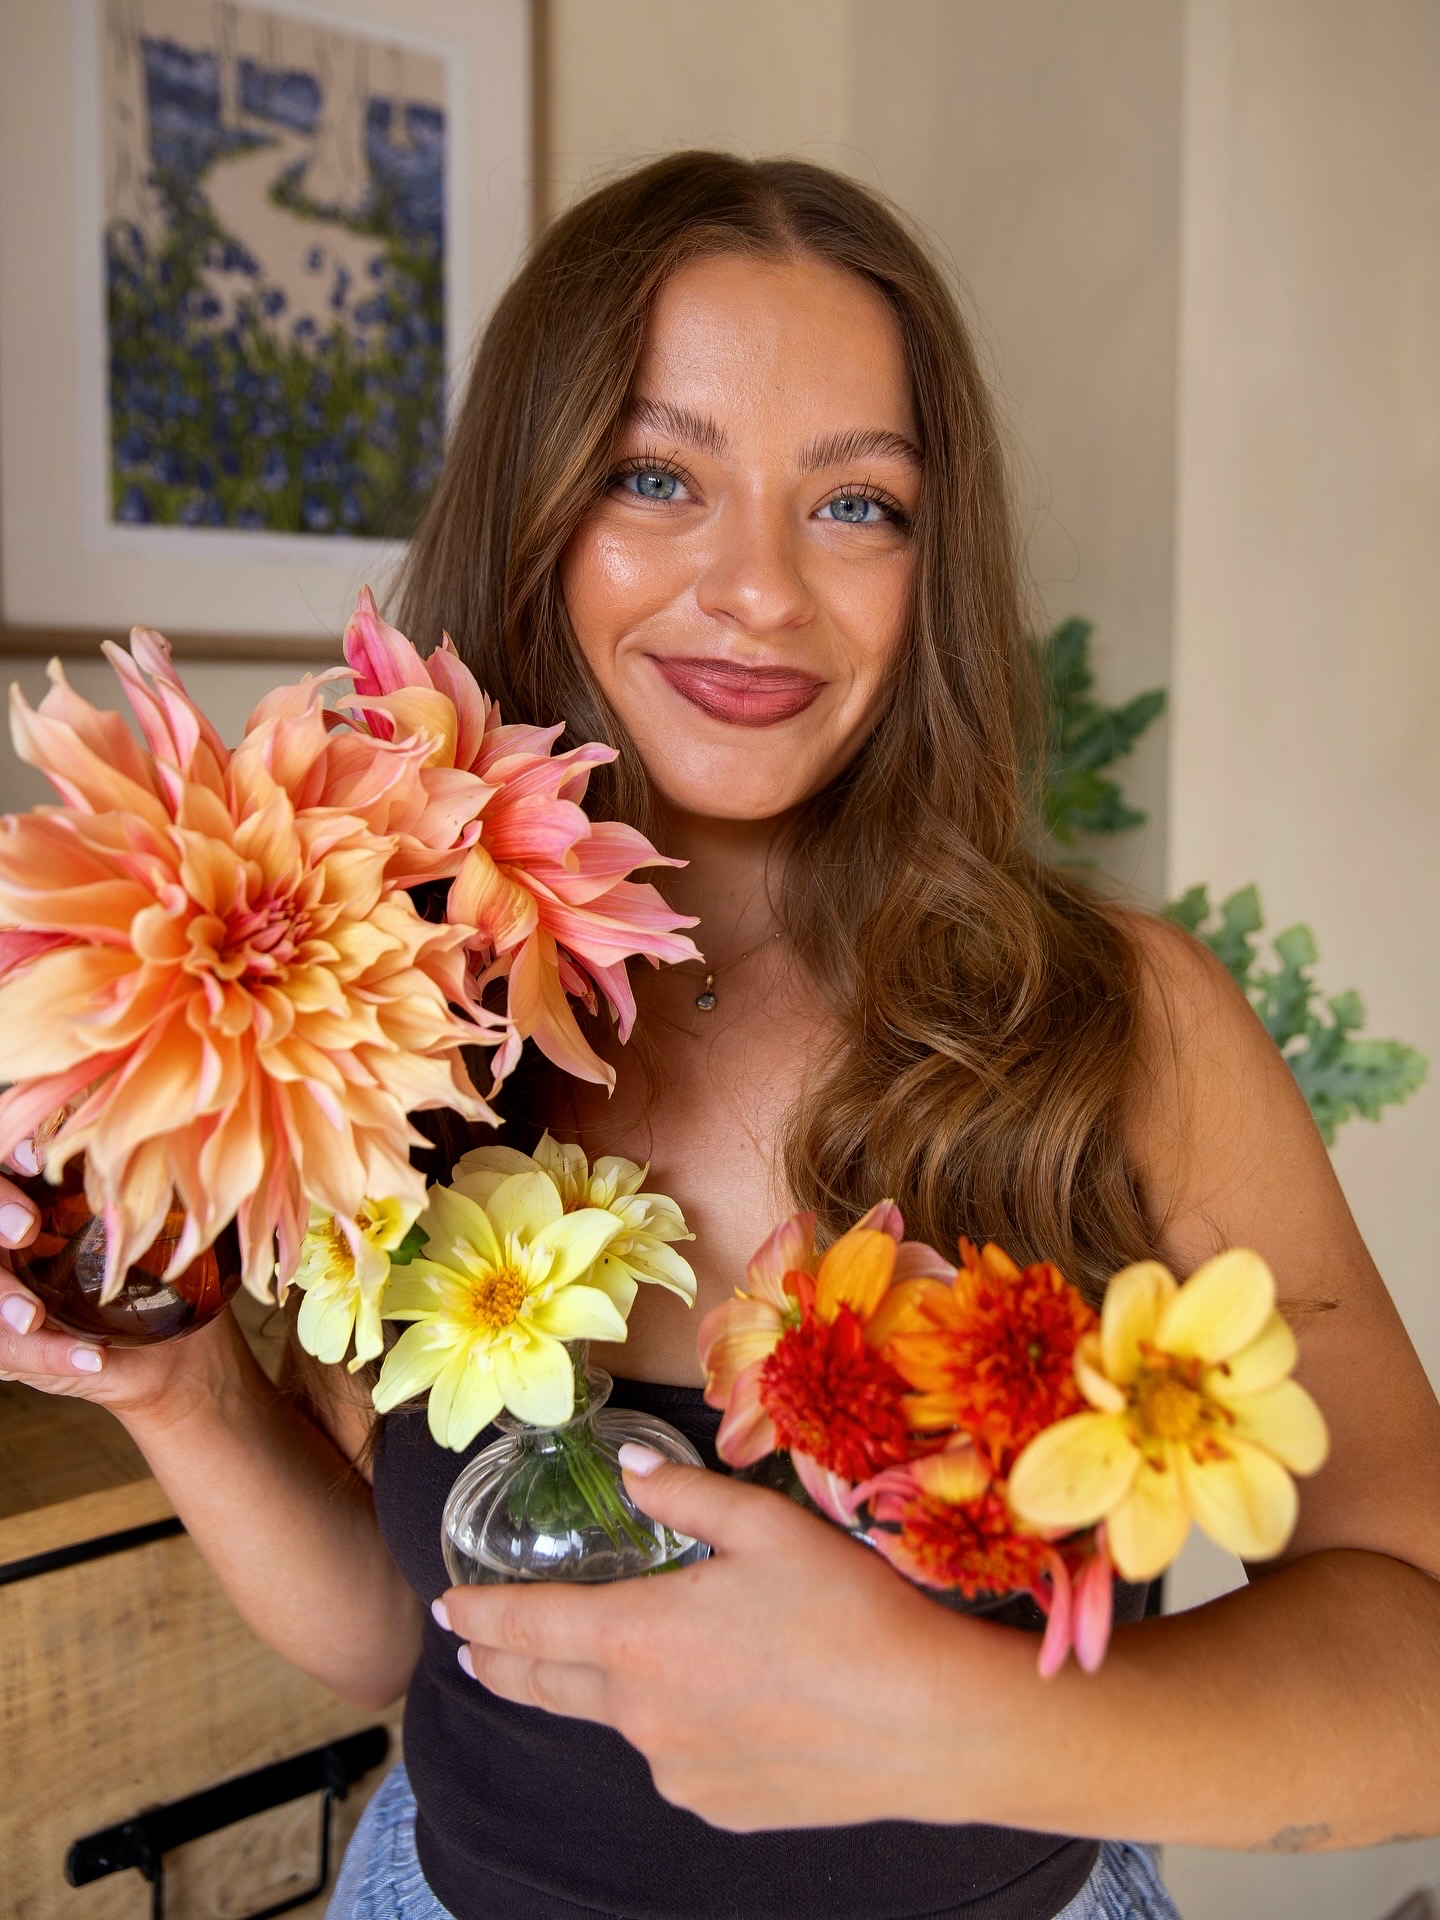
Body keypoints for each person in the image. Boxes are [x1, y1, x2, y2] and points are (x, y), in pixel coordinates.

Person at [2, 154, 1437, 1920]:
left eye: (856, 507)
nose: (758, 587)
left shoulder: (1125, 1032)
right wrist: (183, 1391)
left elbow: (1420, 1668)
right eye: (655, 477)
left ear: (935, 565)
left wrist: (964, 1725)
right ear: (533, 509)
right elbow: (409, 1639)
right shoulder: (389, 1013)